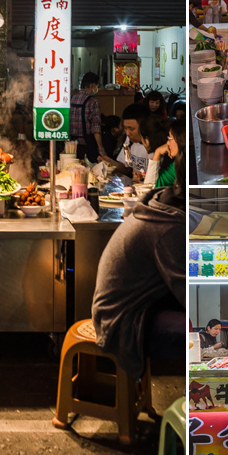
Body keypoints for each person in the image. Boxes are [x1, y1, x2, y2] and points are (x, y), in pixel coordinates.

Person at [91, 143, 186, 379]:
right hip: (123, 321)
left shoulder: (164, 203)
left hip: (145, 305)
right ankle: (193, 409)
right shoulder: (167, 225)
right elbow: (186, 291)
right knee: (206, 334)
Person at [99, 104, 150, 181]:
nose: (127, 133)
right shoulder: (129, 141)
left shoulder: (156, 143)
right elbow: (127, 168)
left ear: (144, 127)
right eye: (125, 128)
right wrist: (111, 162)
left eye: (131, 129)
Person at [69, 72, 108, 163]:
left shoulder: (72, 98)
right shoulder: (93, 102)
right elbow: (96, 128)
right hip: (86, 145)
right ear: (92, 85)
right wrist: (101, 148)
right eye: (97, 86)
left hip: (71, 145)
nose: (97, 89)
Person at [144, 118, 184, 188]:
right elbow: (149, 187)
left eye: (171, 138)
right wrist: (157, 153)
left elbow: (150, 188)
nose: (167, 143)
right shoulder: (177, 165)